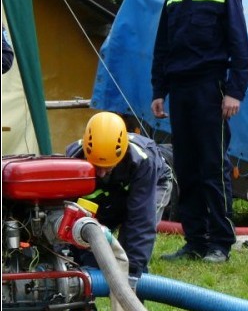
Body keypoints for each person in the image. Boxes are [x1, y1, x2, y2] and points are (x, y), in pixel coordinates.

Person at [151, 0, 248, 264]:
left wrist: (234, 92)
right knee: (187, 168)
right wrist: (158, 91)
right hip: (180, 92)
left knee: (213, 167)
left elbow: (240, 48)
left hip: (211, 89)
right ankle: (194, 241)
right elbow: (162, 47)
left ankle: (221, 243)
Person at [65, 112, 174, 284]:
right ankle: (87, 307)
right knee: (87, 243)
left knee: (128, 251)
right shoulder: (73, 159)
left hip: (155, 182)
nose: (100, 173)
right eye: (96, 166)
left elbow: (141, 222)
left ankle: (135, 305)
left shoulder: (142, 161)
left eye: (106, 167)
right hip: (113, 190)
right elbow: (69, 215)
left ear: (122, 154)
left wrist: (132, 272)